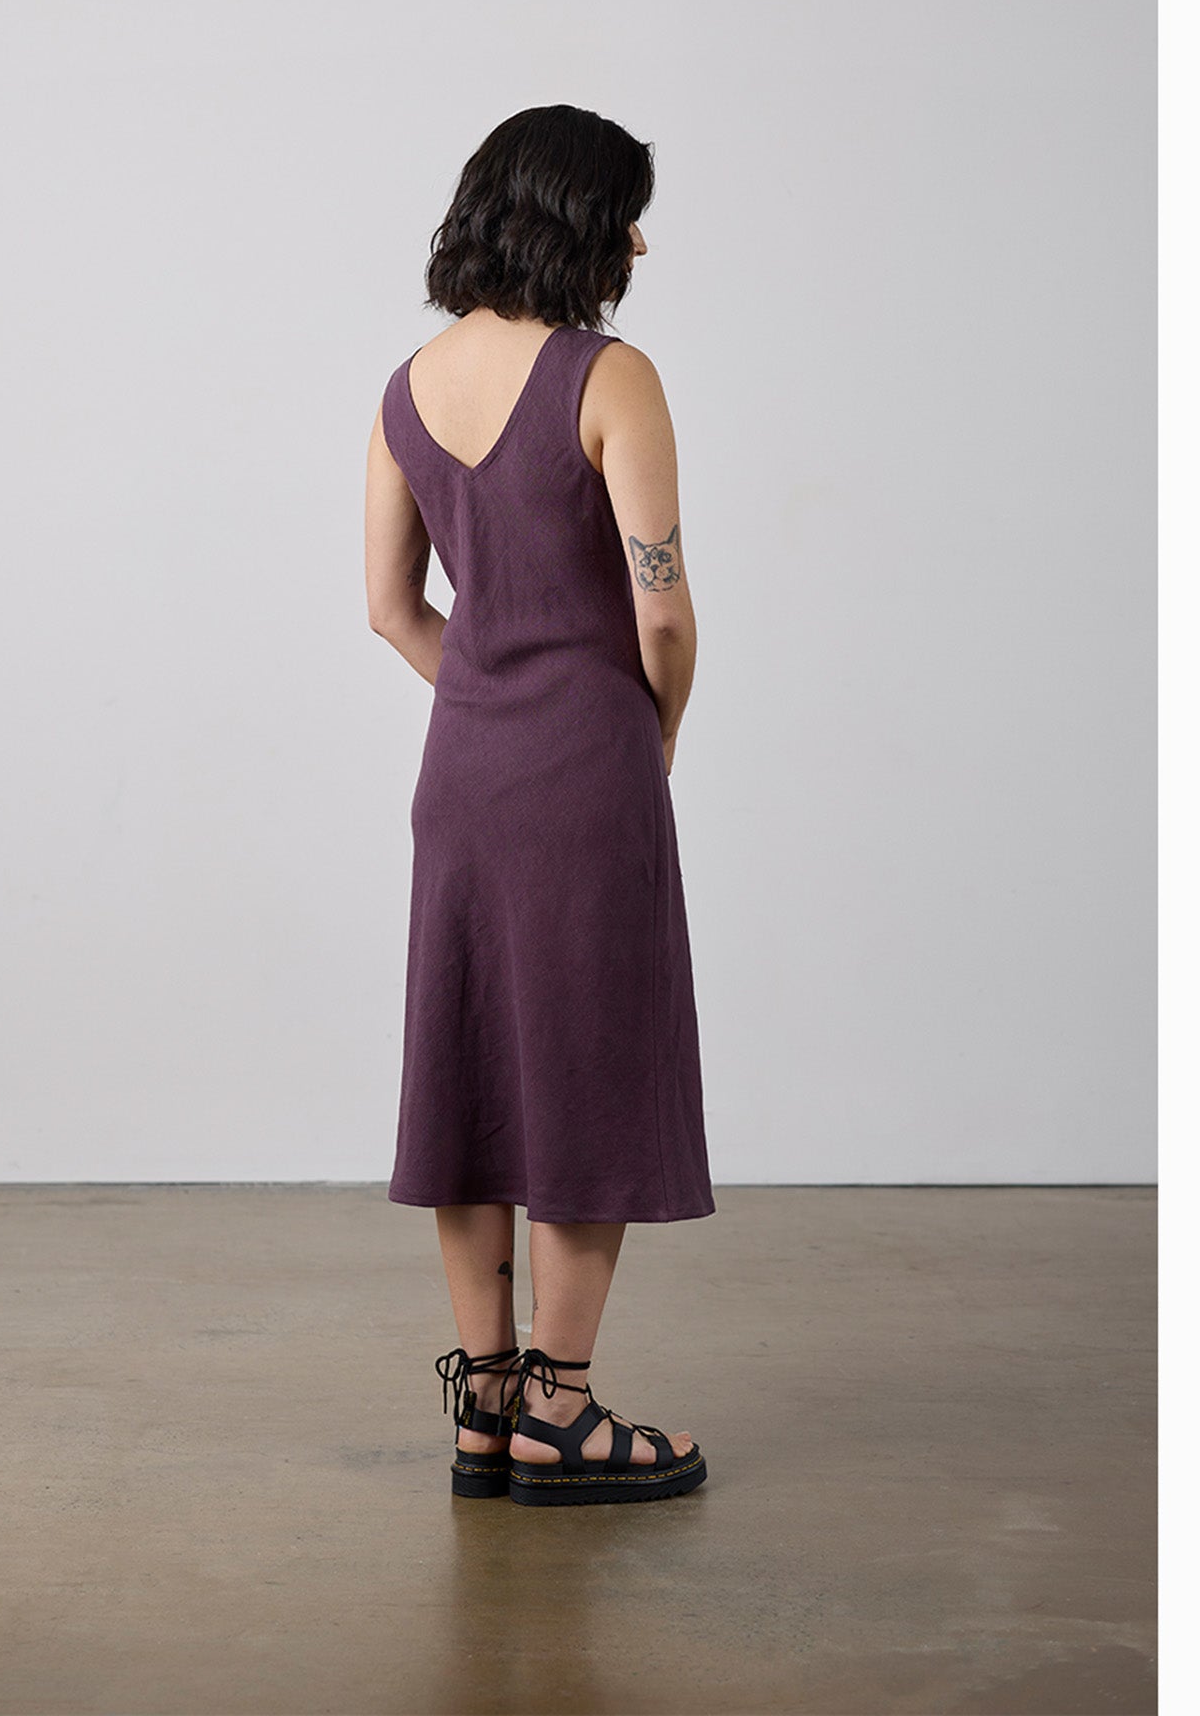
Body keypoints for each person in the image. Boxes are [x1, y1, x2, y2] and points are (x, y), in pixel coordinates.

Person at [363, 104, 714, 1507]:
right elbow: (663, 612)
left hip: (459, 780)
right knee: (585, 1068)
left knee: (470, 1072)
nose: (639, 244)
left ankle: (486, 1404)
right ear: (577, 221)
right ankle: (562, 1414)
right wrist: (648, 728)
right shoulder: (609, 377)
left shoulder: (406, 389)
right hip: (586, 778)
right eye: (628, 215)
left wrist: (491, 692)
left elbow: (392, 609)